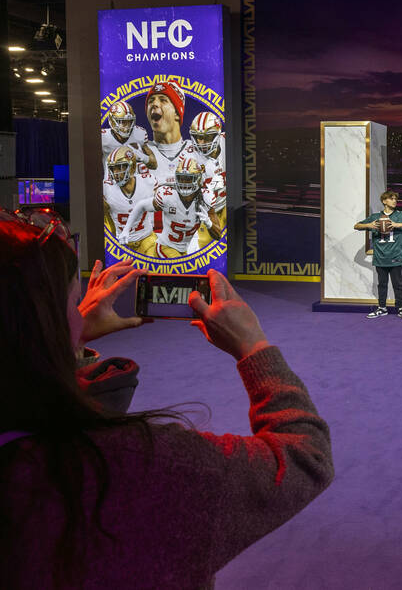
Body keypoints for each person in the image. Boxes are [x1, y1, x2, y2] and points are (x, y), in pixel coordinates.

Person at [0, 217, 334, 587]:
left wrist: (63, 342)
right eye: (74, 302)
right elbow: (304, 459)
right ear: (45, 323)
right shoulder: (140, 465)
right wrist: (253, 347)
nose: (80, 315)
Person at [120, 157, 214, 257]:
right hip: (165, 247)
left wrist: (208, 223)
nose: (183, 183)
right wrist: (126, 230)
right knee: (181, 269)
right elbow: (141, 205)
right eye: (180, 178)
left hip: (183, 249)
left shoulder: (205, 198)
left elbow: (218, 235)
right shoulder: (168, 196)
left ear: (198, 179)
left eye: (188, 179)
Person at [353, 190, 402, 318]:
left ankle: (401, 308)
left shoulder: (400, 215)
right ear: (384, 201)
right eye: (391, 199)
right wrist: (369, 225)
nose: (394, 201)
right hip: (380, 257)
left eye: (395, 199)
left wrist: (396, 224)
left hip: (395, 257)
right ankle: (382, 308)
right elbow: (356, 226)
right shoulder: (376, 217)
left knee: (398, 285)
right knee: (382, 284)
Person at [103, 146, 159, 256]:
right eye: (113, 168)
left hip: (146, 239)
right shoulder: (107, 189)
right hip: (121, 243)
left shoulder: (148, 182)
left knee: (153, 264)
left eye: (120, 167)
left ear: (132, 167)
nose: (116, 172)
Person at [141, 80, 195, 186]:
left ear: (177, 114)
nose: (155, 104)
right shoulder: (140, 152)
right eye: (151, 101)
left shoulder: (196, 151)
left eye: (163, 100)